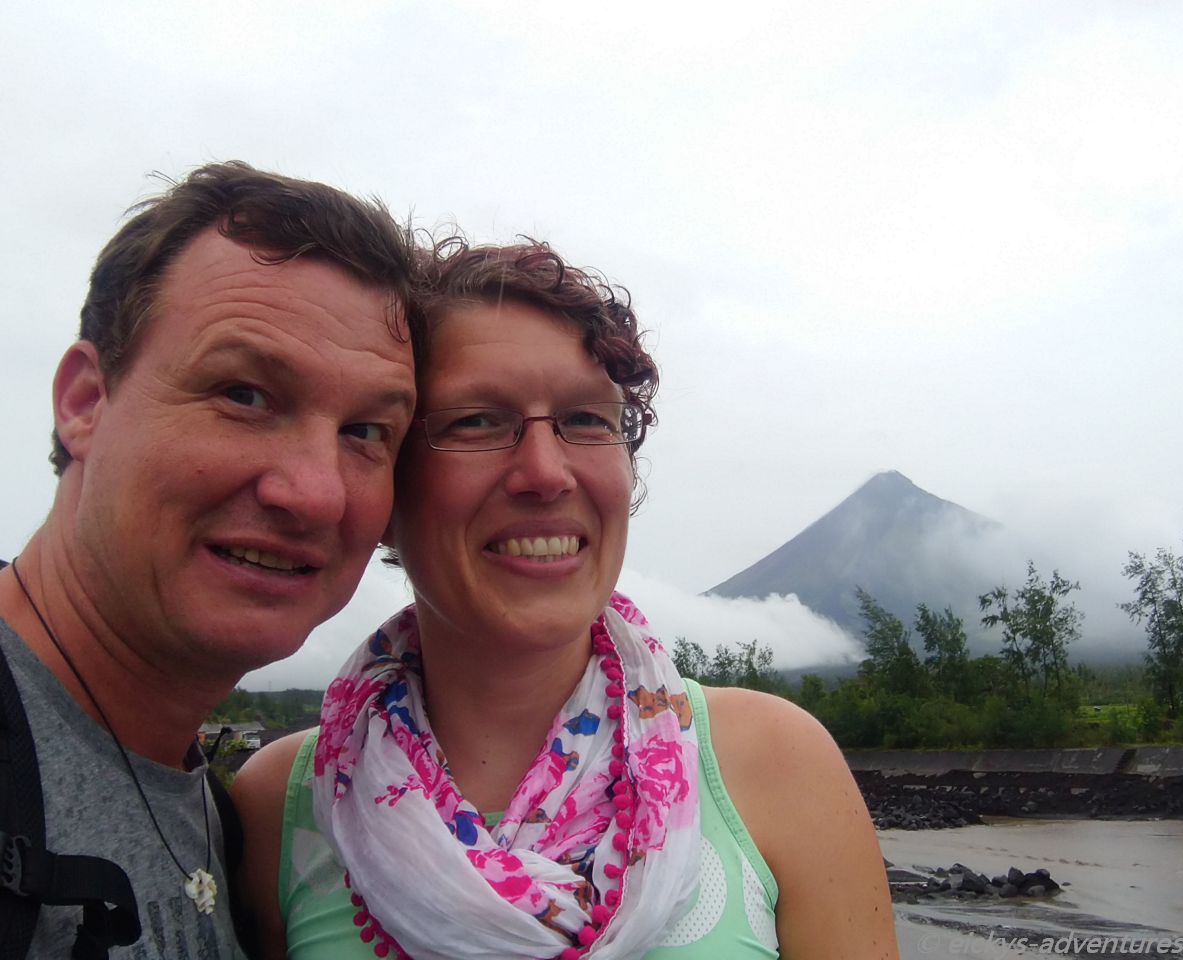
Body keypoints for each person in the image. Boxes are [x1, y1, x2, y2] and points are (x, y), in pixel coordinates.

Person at [233, 240, 899, 960]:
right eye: (477, 421)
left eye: (586, 419)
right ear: (387, 475)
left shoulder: (774, 764)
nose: (545, 473)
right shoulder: (284, 805)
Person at [0, 161, 423, 958]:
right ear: (86, 402)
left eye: (367, 431)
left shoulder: (239, 836)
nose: (316, 494)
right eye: (245, 394)